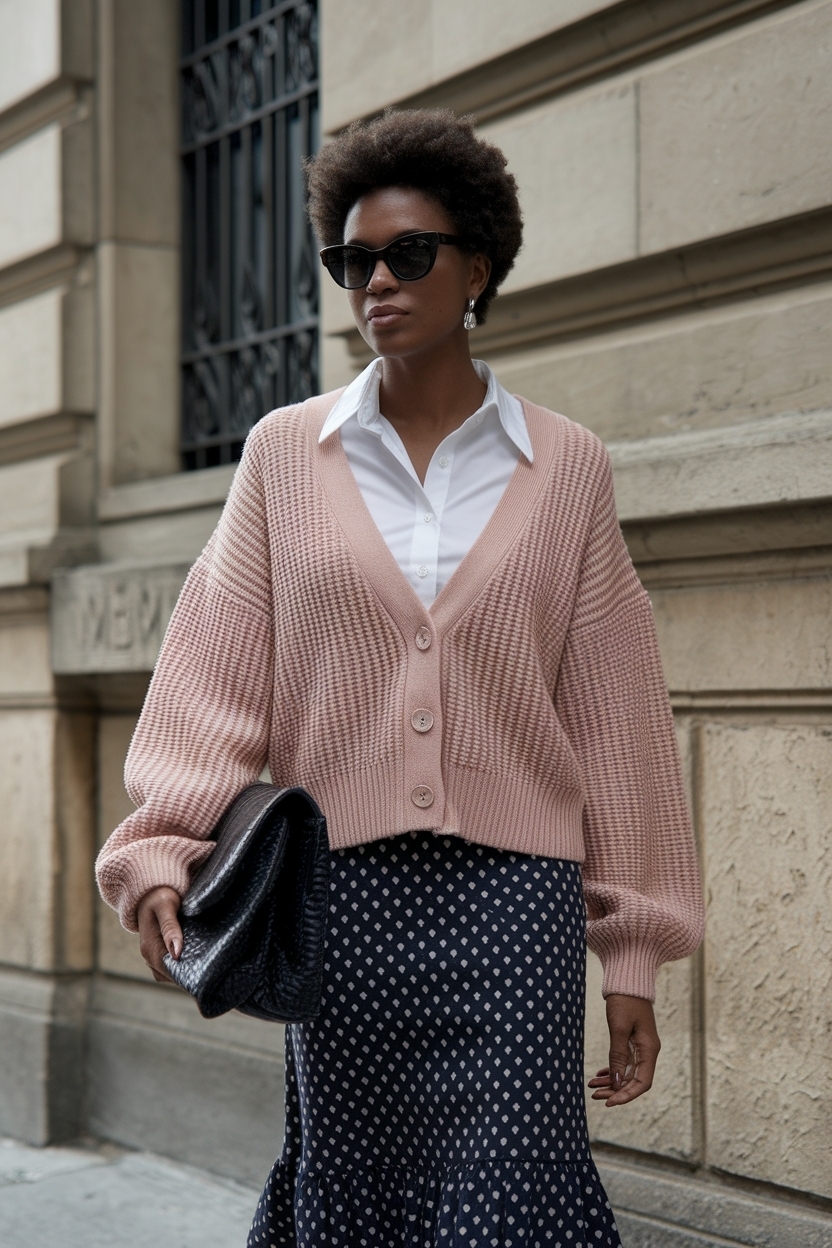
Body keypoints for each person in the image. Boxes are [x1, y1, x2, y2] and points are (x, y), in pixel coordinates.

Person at [96, 109, 704, 1248]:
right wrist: (162, 844)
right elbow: (214, 665)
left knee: (511, 1195)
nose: (376, 281)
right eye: (352, 261)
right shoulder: (285, 454)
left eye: (409, 254)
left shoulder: (566, 465)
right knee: (358, 1191)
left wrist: (632, 949)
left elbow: (615, 717)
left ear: (478, 267)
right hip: (340, 899)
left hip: (514, 905)